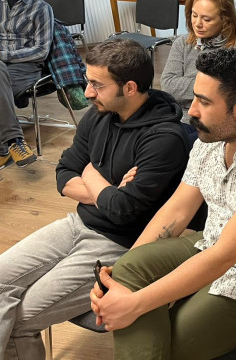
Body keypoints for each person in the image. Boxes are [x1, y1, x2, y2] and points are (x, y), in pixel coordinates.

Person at [90, 48, 236, 359]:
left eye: (204, 102)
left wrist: (134, 304)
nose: (192, 111)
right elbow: (177, 210)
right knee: (128, 268)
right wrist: (112, 280)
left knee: (165, 342)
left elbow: (224, 257)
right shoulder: (209, 140)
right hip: (211, 242)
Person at [0, 39, 189, 360]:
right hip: (77, 223)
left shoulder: (164, 139)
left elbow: (122, 211)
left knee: (20, 318)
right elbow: (64, 173)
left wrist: (88, 171)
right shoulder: (100, 114)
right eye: (88, 82)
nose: (87, 93)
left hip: (118, 244)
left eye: (97, 85)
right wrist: (107, 188)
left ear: (130, 88)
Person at [161, 0, 236, 139]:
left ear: (225, 20)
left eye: (206, 19)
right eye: (194, 15)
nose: (197, 23)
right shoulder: (182, 43)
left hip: (216, 124)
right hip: (180, 117)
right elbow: (168, 84)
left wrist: (187, 86)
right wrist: (212, 89)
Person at [0, 0, 53, 170]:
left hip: (25, 67)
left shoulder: (41, 8)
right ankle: (12, 144)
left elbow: (41, 51)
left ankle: (9, 145)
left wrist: (3, 55)